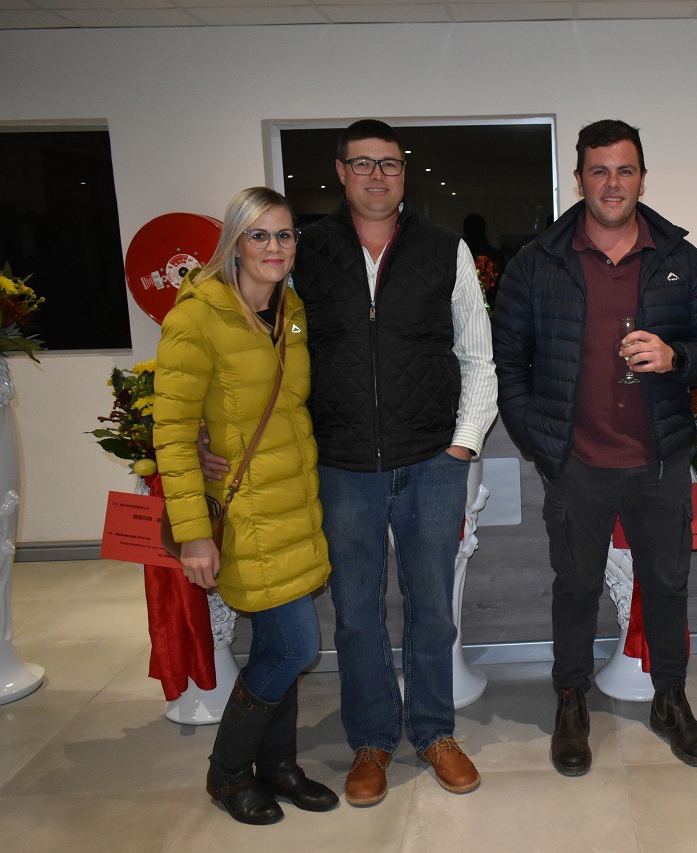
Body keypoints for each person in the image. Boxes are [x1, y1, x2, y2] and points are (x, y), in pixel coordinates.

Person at [199, 120, 497, 805]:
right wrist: (209, 430)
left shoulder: (443, 249)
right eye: (362, 163)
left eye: (388, 163)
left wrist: (461, 445)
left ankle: (435, 732)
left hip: (432, 463)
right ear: (340, 171)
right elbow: (251, 346)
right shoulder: (306, 252)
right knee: (357, 613)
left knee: (433, 609)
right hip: (340, 467)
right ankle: (371, 740)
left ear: (404, 171)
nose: (376, 175)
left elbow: (478, 356)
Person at [492, 119, 697, 776]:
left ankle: (670, 699)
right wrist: (540, 441)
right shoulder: (537, 263)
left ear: (642, 179)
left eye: (624, 170)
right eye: (598, 171)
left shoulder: (680, 260)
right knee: (574, 587)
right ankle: (571, 702)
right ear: (579, 179)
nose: (612, 183)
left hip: (658, 459)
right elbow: (508, 361)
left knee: (668, 585)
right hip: (576, 464)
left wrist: (676, 356)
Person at [155, 186, 337, 825]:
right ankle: (227, 772)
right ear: (234, 243)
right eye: (259, 235)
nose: (274, 247)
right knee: (293, 646)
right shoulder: (197, 316)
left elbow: (288, 407)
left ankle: (278, 767)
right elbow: (172, 432)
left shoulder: (291, 311)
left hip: (295, 505)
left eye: (284, 235)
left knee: (276, 647)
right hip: (246, 514)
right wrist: (193, 532)